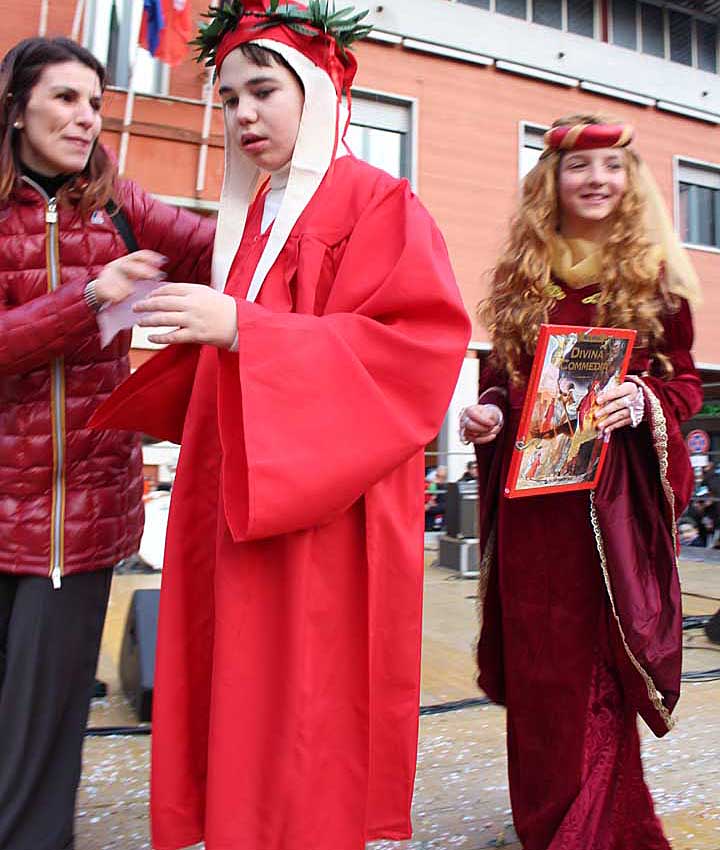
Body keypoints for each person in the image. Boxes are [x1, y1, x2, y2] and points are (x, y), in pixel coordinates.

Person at [91, 2, 471, 848]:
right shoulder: (257, 216)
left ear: (317, 92)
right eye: (228, 99)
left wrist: (243, 330)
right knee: (242, 690)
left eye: (263, 91)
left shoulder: (381, 204)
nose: (244, 115)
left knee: (306, 707)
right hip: (234, 501)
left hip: (323, 519)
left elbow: (416, 351)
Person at [461, 115, 702, 850]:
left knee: (593, 675)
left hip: (607, 520)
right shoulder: (521, 280)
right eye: (579, 166)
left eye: (612, 166)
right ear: (551, 181)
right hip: (531, 514)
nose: (597, 179)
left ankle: (591, 830)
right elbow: (502, 381)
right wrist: (487, 412)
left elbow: (686, 386)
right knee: (538, 673)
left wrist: (644, 401)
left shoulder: (657, 281)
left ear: (632, 180)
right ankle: (543, 821)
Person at [0, 37, 214, 850]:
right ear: (16, 108)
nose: (85, 117)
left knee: (41, 733)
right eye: (64, 98)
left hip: (76, 516)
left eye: (95, 102)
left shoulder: (121, 204)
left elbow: (234, 251)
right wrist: (91, 296)